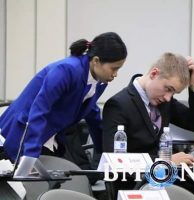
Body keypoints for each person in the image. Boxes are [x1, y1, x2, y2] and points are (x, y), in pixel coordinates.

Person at [0, 32, 127, 176]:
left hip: (48, 135)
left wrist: (107, 153)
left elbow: (92, 112)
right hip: (22, 132)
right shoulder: (66, 70)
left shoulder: (99, 81)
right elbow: (39, 109)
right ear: (96, 61)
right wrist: (31, 152)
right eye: (114, 68)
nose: (115, 74)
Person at [102, 52, 194, 197]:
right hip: (134, 184)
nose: (168, 98)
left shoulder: (162, 100)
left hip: (163, 180)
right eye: (168, 89)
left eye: (174, 93)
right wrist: (166, 161)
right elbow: (115, 159)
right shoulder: (118, 105)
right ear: (154, 73)